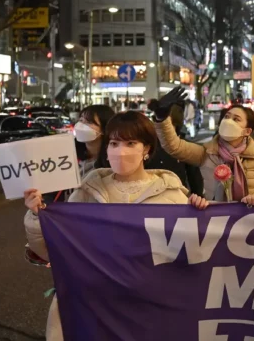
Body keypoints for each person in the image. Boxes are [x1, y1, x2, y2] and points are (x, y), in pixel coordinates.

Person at [23, 111, 190, 341]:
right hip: (94, 306)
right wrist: (37, 216)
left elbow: (192, 256)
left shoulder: (171, 195)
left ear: (147, 149)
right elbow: (55, 250)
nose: (120, 150)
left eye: (131, 143)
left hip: (148, 309)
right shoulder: (87, 191)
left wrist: (203, 212)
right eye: (114, 143)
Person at [153, 87, 254, 200]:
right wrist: (161, 118)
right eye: (227, 117)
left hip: (248, 220)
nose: (228, 121)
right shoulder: (206, 152)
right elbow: (174, 146)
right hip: (215, 220)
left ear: (247, 131)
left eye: (236, 119)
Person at [146, 104, 203, 195]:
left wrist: (198, 199)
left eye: (167, 122)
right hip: (150, 197)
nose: (162, 127)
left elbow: (195, 180)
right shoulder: (148, 145)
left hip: (178, 198)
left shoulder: (185, 146)